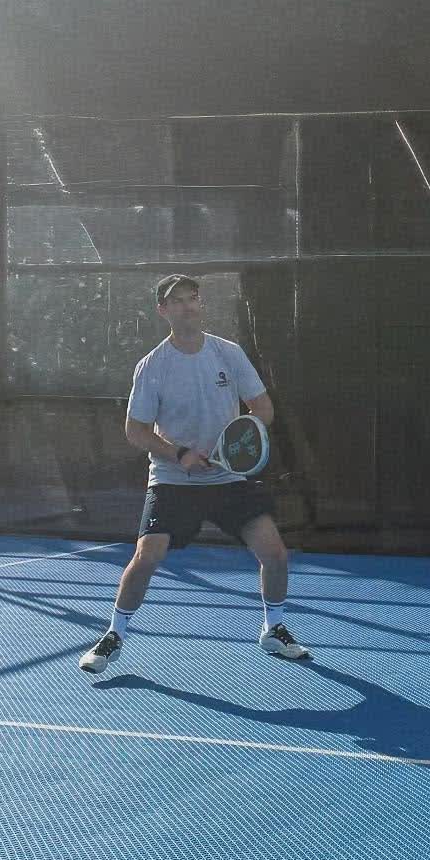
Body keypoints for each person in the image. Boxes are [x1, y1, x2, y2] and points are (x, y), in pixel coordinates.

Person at [78, 274, 310, 673]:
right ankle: (114, 634)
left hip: (228, 479)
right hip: (173, 480)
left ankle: (273, 628)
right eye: (177, 301)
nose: (187, 306)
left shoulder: (228, 353)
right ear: (163, 310)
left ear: (200, 304)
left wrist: (234, 449)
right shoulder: (153, 366)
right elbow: (135, 430)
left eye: (192, 298)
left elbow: (262, 409)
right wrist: (179, 454)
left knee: (274, 554)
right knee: (146, 558)